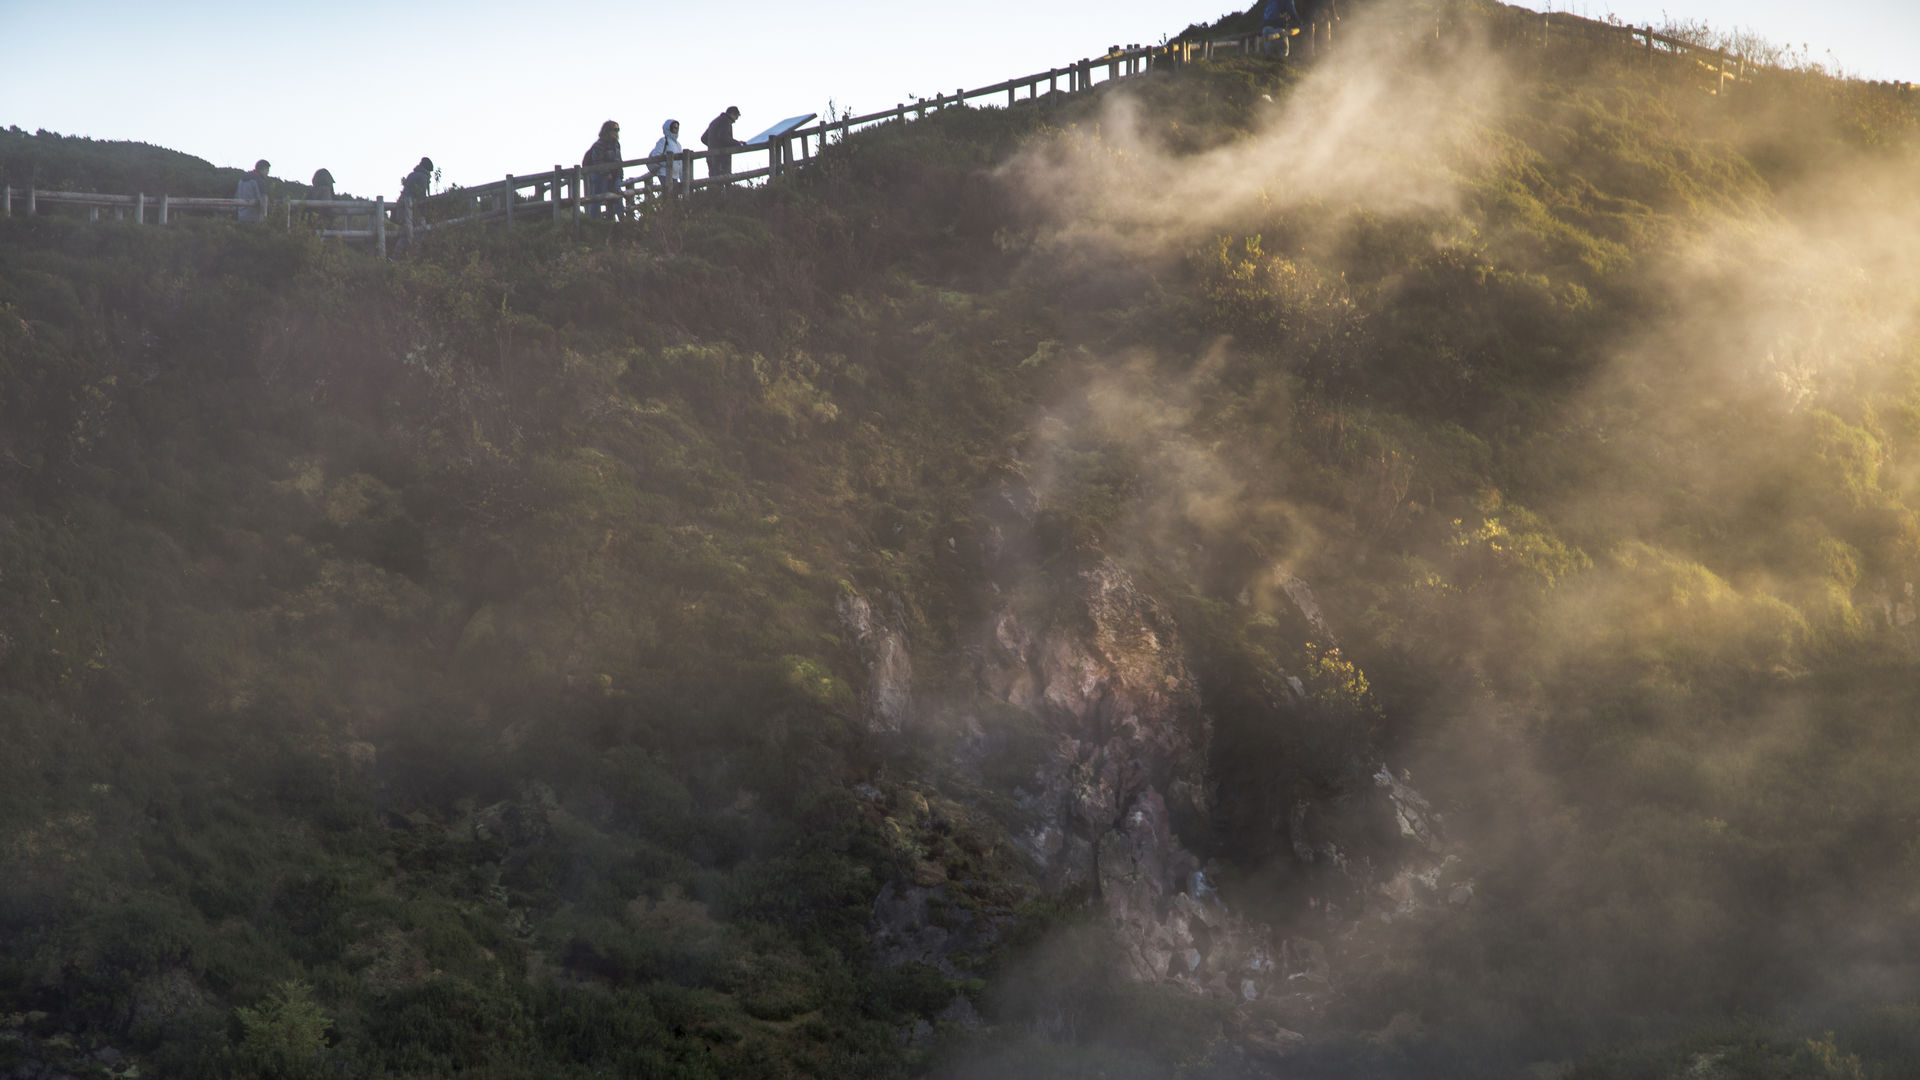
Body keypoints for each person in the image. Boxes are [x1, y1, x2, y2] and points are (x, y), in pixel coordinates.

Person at [582, 120, 623, 218]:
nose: (616, 132)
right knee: (597, 197)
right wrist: (606, 173)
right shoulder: (599, 144)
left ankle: (622, 219)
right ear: (607, 131)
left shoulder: (616, 144)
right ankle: (593, 220)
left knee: (618, 196)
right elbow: (598, 161)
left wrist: (620, 174)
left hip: (615, 174)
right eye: (614, 129)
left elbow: (619, 160)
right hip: (600, 175)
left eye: (618, 129)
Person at [701, 106, 742, 180]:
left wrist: (712, 146)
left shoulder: (714, 121)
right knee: (723, 180)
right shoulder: (726, 121)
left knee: (713, 180)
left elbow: (703, 138)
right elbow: (724, 138)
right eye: (737, 116)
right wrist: (737, 143)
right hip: (721, 158)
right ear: (733, 114)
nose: (737, 119)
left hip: (710, 156)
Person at [647, 119, 683, 195]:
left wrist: (681, 177)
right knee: (668, 195)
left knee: (675, 196)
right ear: (668, 128)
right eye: (674, 127)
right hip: (664, 174)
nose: (676, 130)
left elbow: (680, 162)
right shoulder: (663, 141)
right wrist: (666, 164)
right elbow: (655, 156)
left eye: (677, 128)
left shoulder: (678, 145)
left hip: (675, 175)